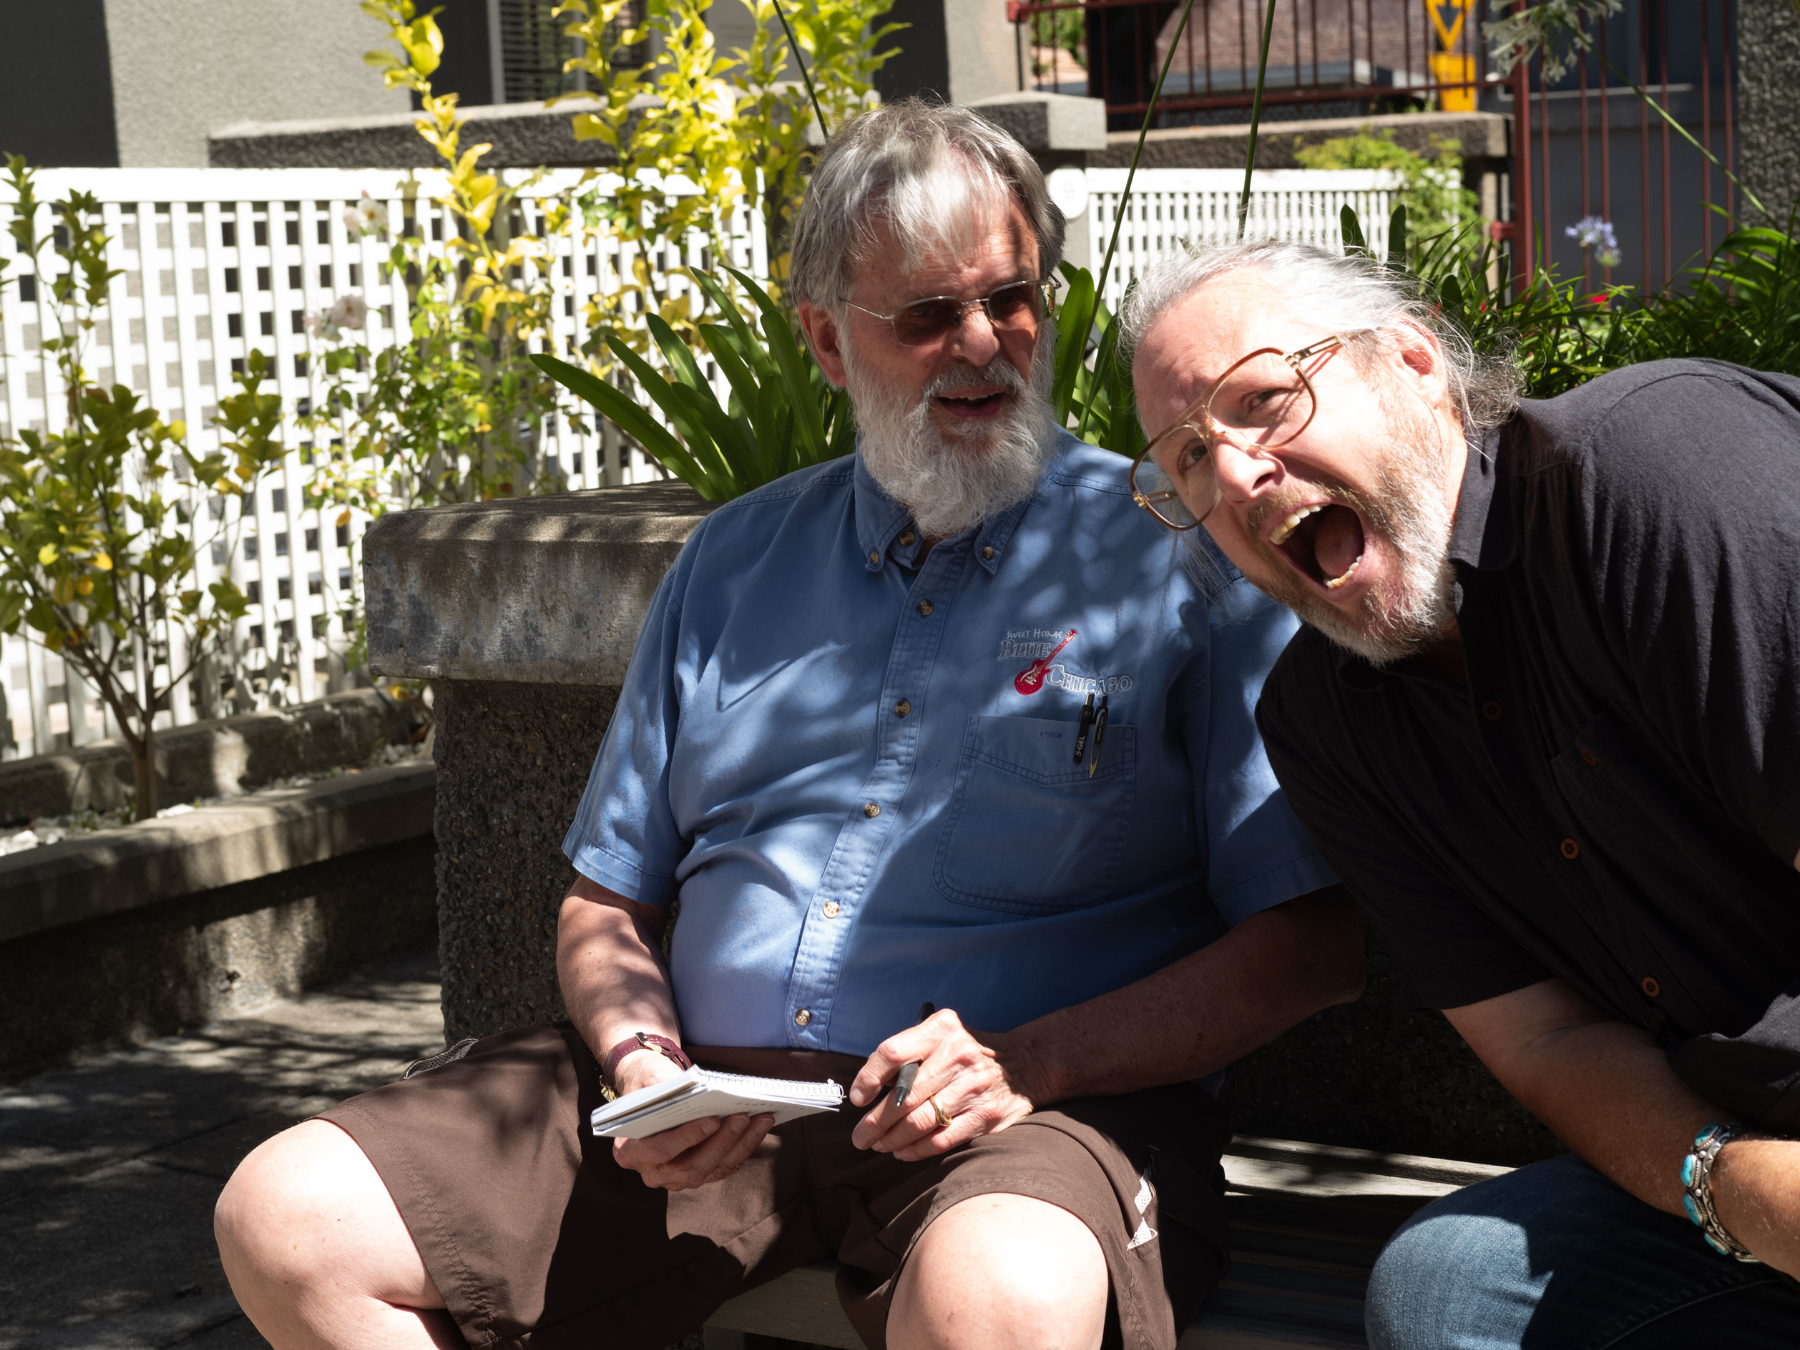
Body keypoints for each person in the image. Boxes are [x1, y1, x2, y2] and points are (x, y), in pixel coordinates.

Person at [213, 104, 1361, 1350]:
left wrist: (1032, 1061)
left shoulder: (1180, 557)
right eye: (926, 315)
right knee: (288, 1217)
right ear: (825, 339)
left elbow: (1313, 940)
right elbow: (608, 899)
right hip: (708, 1105)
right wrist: (642, 1059)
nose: (982, 344)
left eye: (1011, 299)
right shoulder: (734, 563)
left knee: (1003, 1302)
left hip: (1020, 1114)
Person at [1123, 237, 1800, 1348]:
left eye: (1263, 399)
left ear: (1413, 360)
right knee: (1446, 1289)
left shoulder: (1657, 474)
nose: (1237, 472)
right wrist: (1726, 1189)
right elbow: (1542, 1042)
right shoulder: (1322, 721)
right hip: (1745, 1160)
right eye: (1190, 456)